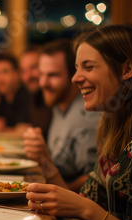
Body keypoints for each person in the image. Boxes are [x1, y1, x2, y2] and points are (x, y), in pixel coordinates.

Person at [26, 24, 132, 220]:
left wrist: (86, 209)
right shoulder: (112, 127)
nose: (75, 78)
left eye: (88, 67)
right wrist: (43, 162)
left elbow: (86, 211)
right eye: (77, 68)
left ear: (127, 69)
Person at [23, 39, 101, 192]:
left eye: (53, 75)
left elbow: (94, 183)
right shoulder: (58, 107)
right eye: (41, 74)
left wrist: (55, 188)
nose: (43, 83)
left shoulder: (86, 116)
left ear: (74, 77)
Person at [0, 52, 31, 133]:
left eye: (5, 72)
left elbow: (23, 132)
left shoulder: (26, 96)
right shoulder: (4, 98)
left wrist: (3, 129)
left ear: (17, 74)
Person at [19, 46, 52, 139]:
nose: (27, 77)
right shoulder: (33, 97)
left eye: (33, 67)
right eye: (23, 71)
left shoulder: (55, 99)